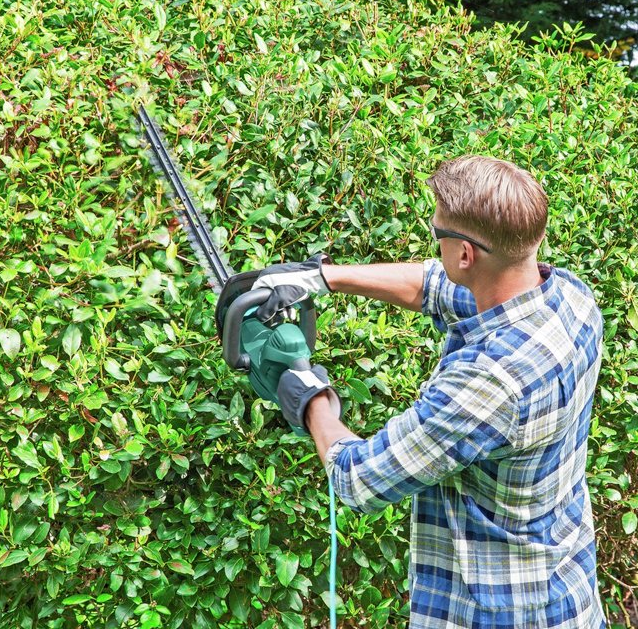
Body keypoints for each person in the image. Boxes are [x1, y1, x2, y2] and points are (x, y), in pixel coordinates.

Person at [256, 155, 607, 628]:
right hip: (568, 596)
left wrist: (304, 387)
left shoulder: (487, 383)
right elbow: (434, 287)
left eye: (438, 235)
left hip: (499, 613)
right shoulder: (568, 297)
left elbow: (357, 478)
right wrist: (322, 277)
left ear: (465, 253)